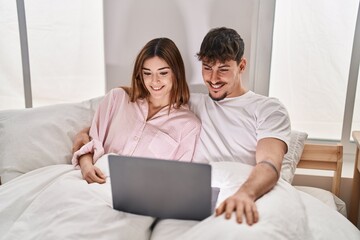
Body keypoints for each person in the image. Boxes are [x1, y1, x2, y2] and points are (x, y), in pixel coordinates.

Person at [73, 27, 290, 226]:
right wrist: (84, 135)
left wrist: (246, 194)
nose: (213, 79)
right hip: (196, 193)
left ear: (241, 66)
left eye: (223, 69)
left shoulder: (268, 109)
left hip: (244, 190)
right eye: (207, 68)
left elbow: (269, 163)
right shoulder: (193, 102)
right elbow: (138, 100)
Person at [72, 37, 201, 184]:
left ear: (176, 73)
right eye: (147, 73)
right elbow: (91, 142)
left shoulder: (188, 126)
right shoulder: (117, 99)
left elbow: (177, 178)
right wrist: (86, 166)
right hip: (92, 182)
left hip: (140, 197)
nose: (154, 81)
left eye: (163, 73)